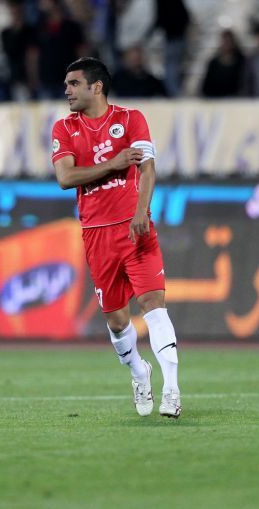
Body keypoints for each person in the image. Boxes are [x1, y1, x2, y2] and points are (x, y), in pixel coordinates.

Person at [51, 57, 181, 418]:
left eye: (74, 83)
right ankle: (139, 372)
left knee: (154, 304)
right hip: (96, 235)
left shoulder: (131, 119)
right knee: (117, 320)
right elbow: (65, 178)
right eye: (66, 84)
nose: (67, 90)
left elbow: (148, 169)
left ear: (96, 86)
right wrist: (113, 163)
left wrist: (142, 211)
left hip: (135, 228)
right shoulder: (65, 128)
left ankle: (172, 390)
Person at [201, 29, 245, 98]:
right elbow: (206, 87)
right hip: (216, 99)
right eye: (225, 41)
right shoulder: (213, 63)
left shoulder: (242, 62)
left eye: (229, 41)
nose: (227, 44)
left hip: (236, 100)